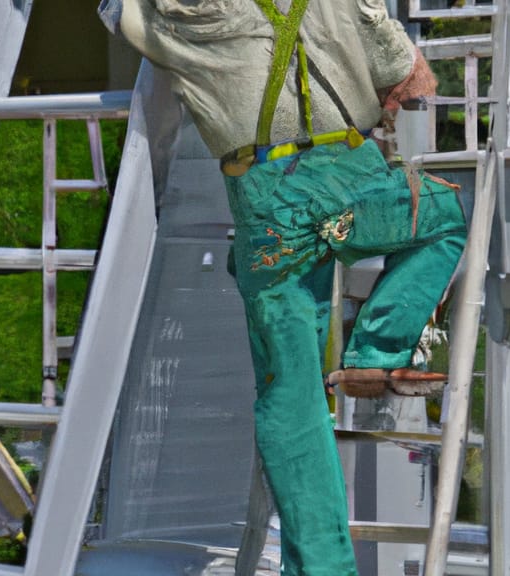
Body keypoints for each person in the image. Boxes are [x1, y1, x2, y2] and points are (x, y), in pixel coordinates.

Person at [98, 1, 467, 574]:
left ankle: (322, 567)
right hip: (351, 183)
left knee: (290, 397)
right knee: (445, 215)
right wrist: (398, 74)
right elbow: (406, 74)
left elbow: (114, 12)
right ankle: (377, 349)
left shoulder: (173, 14)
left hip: (265, 209)